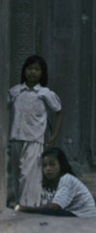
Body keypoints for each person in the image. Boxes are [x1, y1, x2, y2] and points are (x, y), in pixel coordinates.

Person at [8, 55, 63, 206]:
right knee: (16, 173)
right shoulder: (15, 92)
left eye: (37, 69)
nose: (32, 72)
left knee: (28, 174)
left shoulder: (45, 93)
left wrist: (54, 135)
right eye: (30, 68)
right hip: (15, 138)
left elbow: (59, 111)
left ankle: (27, 206)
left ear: (42, 73)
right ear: (24, 70)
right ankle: (18, 204)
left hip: (34, 140)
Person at [16, 147, 96, 218]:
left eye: (52, 164)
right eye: (45, 165)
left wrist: (24, 209)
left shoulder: (66, 179)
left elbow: (53, 207)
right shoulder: (53, 182)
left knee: (46, 213)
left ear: (61, 165)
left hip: (84, 219)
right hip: (74, 215)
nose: (48, 168)